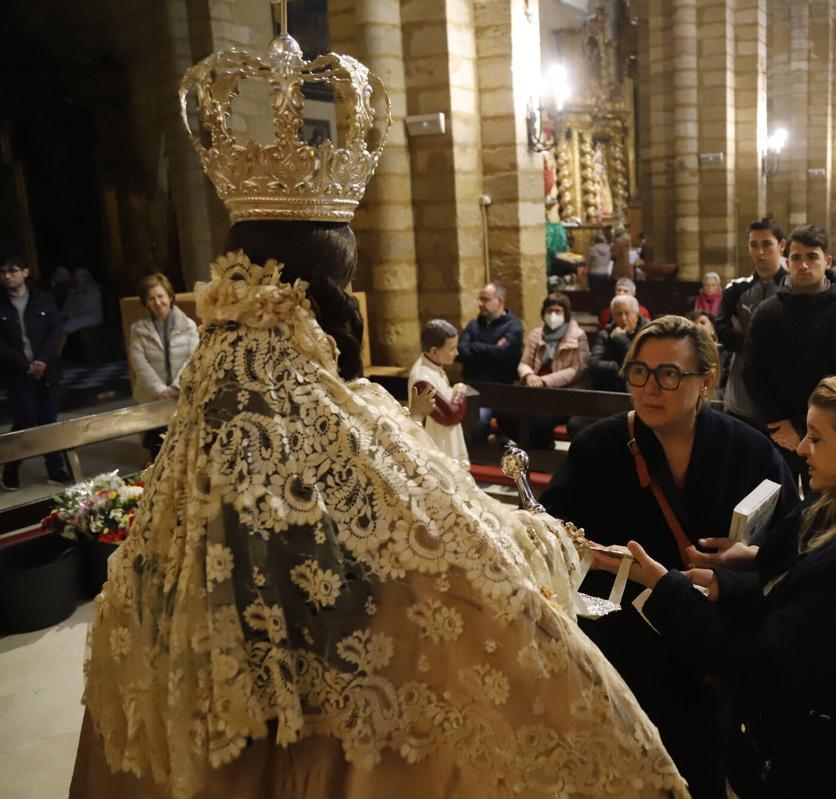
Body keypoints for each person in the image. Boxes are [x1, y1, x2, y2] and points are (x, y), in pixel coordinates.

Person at [71, 34, 685, 796]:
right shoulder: (341, 409)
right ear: (326, 291)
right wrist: (554, 542)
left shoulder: (212, 398)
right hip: (329, 738)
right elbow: (455, 556)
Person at [591, 374, 836, 798]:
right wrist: (726, 585)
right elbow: (807, 592)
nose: (802, 449)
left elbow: (759, 662)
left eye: (816, 439)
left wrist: (661, 585)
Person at [541, 315, 798, 799]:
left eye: (669, 374)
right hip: (621, 646)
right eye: (639, 371)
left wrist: (750, 556)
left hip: (705, 649)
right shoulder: (598, 447)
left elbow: (792, 545)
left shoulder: (749, 450)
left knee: (699, 773)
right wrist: (591, 555)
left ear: (707, 381)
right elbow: (550, 534)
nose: (650, 387)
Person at [744, 225, 836, 489]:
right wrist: (780, 424)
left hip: (826, 432)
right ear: (788, 262)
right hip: (776, 432)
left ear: (827, 261)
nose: (803, 265)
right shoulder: (767, 312)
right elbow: (752, 372)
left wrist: (805, 429)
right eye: (796, 258)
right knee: (777, 508)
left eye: (812, 257)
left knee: (823, 508)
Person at [0, 256, 68, 489]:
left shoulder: (43, 300)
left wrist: (42, 360)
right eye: (3, 272)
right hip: (17, 374)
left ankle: (56, 469)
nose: (8, 276)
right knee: (26, 420)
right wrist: (24, 365)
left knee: (49, 420)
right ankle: (10, 467)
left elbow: (55, 332)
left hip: (47, 370)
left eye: (13, 270)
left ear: (26, 272)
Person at [716, 218, 789, 427]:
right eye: (753, 245)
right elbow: (722, 332)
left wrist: (744, 335)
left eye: (766, 244)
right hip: (740, 399)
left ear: (781, 246)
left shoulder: (793, 289)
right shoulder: (736, 289)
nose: (760, 252)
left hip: (781, 398)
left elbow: (795, 338)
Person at [128, 273, 200, 460]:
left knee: (185, 452)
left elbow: (193, 359)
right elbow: (139, 363)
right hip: (153, 398)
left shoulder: (189, 326)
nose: (157, 302)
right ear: (146, 303)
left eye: (161, 296)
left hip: (182, 396)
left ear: (170, 296)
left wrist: (176, 387)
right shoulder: (138, 329)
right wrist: (160, 390)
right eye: (151, 298)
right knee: (158, 454)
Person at [512, 292, 589, 448]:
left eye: (558, 311)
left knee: (540, 420)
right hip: (534, 390)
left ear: (565, 313)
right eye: (549, 311)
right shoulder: (536, 334)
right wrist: (529, 375)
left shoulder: (578, 335)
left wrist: (545, 381)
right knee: (507, 415)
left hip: (564, 394)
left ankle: (541, 453)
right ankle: (535, 448)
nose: (553, 315)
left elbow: (577, 369)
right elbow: (524, 362)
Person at [457, 281, 523, 441]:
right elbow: (460, 352)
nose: (480, 304)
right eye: (480, 299)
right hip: (474, 389)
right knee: (472, 430)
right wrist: (492, 349)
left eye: (485, 299)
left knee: (513, 427)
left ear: (499, 301)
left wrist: (475, 347)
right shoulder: (473, 325)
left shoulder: (513, 327)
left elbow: (505, 356)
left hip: (501, 390)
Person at [408, 319, 470, 461]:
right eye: (452, 348)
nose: (457, 353)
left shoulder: (433, 366)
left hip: (444, 436)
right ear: (434, 351)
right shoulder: (423, 379)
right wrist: (460, 392)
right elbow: (450, 416)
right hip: (436, 441)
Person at [590, 294, 647, 392]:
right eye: (618, 314)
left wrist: (622, 339)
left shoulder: (646, 335)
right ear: (613, 317)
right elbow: (594, 364)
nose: (623, 318)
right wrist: (625, 369)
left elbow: (642, 364)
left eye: (627, 313)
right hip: (609, 390)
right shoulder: (605, 335)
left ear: (636, 315)